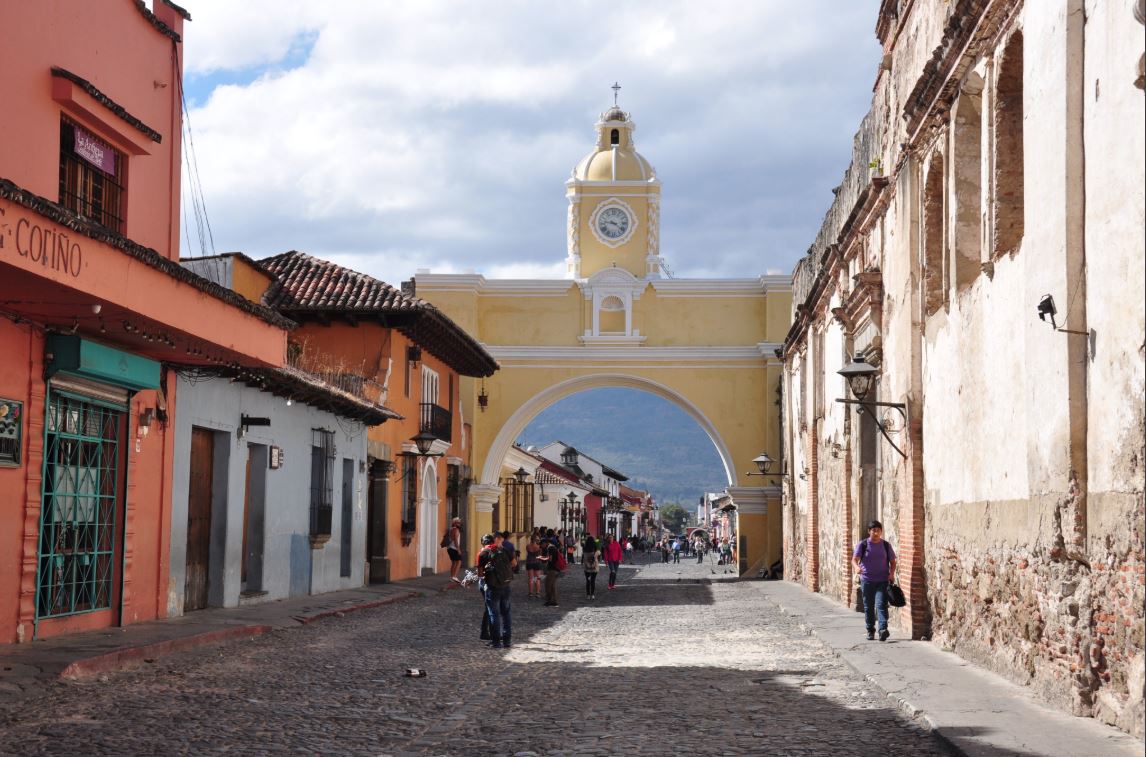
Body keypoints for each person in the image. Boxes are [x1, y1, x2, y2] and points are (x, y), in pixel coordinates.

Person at [852, 520, 897, 642]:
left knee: (881, 604)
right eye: (873, 531)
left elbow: (893, 562)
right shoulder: (863, 545)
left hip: (882, 580)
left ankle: (882, 629)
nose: (876, 533)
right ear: (869, 532)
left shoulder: (886, 545)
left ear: (881, 532)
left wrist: (891, 574)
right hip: (867, 580)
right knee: (868, 606)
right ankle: (870, 630)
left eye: (878, 530)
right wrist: (856, 567)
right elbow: (854, 559)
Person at [477, 532, 515, 648]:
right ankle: (507, 641)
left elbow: (480, 574)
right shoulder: (504, 550)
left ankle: (496, 642)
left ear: (483, 543)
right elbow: (514, 563)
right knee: (506, 614)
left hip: (492, 587)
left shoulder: (483, 553)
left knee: (494, 614)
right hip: (506, 585)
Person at [540, 528, 562, 607]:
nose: (541, 547)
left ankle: (550, 600)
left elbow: (550, 559)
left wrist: (542, 558)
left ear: (545, 543)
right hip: (556, 569)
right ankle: (554, 601)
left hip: (553, 569)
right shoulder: (552, 547)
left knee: (548, 585)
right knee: (552, 585)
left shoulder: (550, 548)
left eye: (541, 545)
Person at [446, 517, 463, 583]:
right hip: (454, 548)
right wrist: (458, 549)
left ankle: (452, 577)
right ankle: (454, 577)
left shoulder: (451, 529)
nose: (459, 524)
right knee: (459, 562)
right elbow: (456, 540)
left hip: (450, 548)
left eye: (459, 522)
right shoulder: (456, 530)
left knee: (454, 562)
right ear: (454, 523)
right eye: (458, 522)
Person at [525, 534, 543, 598]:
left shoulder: (528, 546)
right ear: (536, 540)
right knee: (537, 578)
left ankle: (530, 593)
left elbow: (528, 551)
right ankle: (537, 593)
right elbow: (540, 555)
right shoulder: (538, 547)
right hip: (537, 562)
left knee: (531, 578)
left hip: (529, 562)